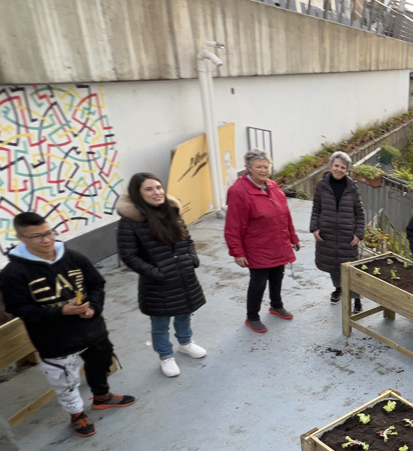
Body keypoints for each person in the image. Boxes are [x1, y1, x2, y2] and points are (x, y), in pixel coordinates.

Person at [0, 212, 135, 439]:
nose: (46, 240)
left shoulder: (74, 257)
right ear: (20, 238)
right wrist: (60, 311)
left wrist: (94, 307)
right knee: (64, 379)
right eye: (36, 236)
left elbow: (97, 285)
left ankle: (102, 397)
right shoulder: (13, 273)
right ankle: (77, 414)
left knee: (101, 361)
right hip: (53, 339)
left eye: (48, 232)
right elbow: (18, 309)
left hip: (92, 329)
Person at [117, 172, 208, 378]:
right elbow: (128, 255)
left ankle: (186, 343)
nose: (156, 192)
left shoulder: (172, 211)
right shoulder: (130, 221)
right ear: (138, 194)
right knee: (160, 322)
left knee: (185, 311)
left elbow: (188, 239)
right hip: (157, 281)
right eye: (148, 189)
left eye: (158, 187)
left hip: (183, 274)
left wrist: (192, 259)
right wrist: (155, 273)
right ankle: (165, 356)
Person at [225, 148, 301, 334]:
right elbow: (233, 225)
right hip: (256, 247)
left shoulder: (273, 187)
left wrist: (293, 236)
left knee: (277, 276)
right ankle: (252, 316)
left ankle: (276, 305)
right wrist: (237, 252)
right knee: (258, 282)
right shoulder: (239, 191)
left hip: (277, 243)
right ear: (248, 168)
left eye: (266, 167)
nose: (263, 170)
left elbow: (285, 215)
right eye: (259, 167)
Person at [310, 151, 366, 314]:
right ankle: (338, 289)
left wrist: (359, 233)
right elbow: (316, 209)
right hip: (326, 236)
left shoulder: (352, 187)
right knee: (333, 267)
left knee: (351, 271)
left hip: (347, 237)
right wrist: (314, 227)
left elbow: (359, 212)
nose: (339, 169)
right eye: (336, 165)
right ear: (331, 166)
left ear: (347, 169)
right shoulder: (322, 185)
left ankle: (356, 299)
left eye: (343, 167)